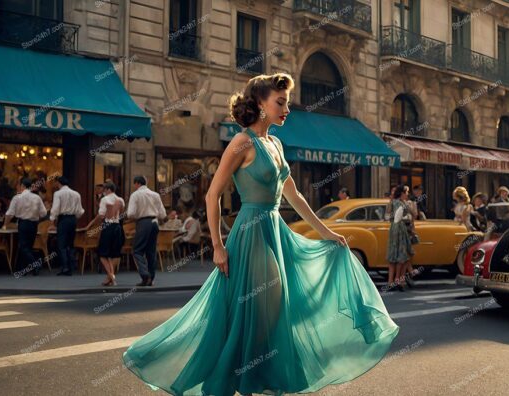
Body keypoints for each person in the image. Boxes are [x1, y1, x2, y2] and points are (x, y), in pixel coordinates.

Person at [122, 73, 399, 396]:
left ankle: (250, 379)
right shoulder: (242, 142)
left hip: (274, 230)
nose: (287, 109)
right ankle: (231, 379)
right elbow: (212, 196)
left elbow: (293, 195)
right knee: (263, 309)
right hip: (251, 234)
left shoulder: (275, 143)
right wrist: (217, 246)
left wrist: (326, 233)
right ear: (259, 104)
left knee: (267, 312)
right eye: (280, 102)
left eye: (287, 102)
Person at [126, 175, 167, 287]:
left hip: (143, 223)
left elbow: (130, 213)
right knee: (151, 252)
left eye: (134, 184)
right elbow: (163, 214)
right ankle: (150, 279)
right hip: (155, 222)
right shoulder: (156, 194)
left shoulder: (135, 195)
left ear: (137, 183)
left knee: (137, 250)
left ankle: (145, 275)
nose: (134, 186)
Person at [4, 178, 47, 276]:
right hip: (34, 224)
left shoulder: (17, 197)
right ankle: (25, 270)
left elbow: (10, 213)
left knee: (23, 247)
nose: (17, 187)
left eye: (19, 185)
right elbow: (44, 213)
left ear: (22, 186)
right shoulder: (37, 198)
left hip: (23, 224)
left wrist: (5, 224)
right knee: (28, 247)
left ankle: (36, 265)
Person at [88, 181, 125, 286]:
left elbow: (101, 215)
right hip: (117, 226)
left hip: (108, 227)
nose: (103, 192)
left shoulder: (104, 199)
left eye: (104, 190)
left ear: (108, 189)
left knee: (102, 253)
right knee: (115, 254)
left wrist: (91, 224)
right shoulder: (120, 200)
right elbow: (122, 214)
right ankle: (110, 277)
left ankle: (111, 277)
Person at [49, 176, 85, 276]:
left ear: (59, 183)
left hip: (63, 219)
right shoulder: (76, 194)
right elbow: (80, 211)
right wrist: (74, 217)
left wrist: (52, 222)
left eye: (56, 183)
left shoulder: (58, 193)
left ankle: (65, 267)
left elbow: (55, 209)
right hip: (73, 219)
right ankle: (71, 266)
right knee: (70, 244)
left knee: (61, 244)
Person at [386, 184, 416, 292]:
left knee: (395, 255)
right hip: (401, 229)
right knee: (403, 255)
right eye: (406, 192)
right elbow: (413, 214)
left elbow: (387, 216)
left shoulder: (392, 202)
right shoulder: (403, 203)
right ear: (402, 193)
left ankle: (393, 282)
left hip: (393, 229)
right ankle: (398, 280)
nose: (407, 195)